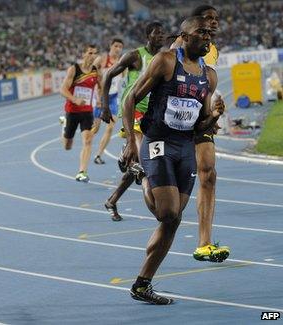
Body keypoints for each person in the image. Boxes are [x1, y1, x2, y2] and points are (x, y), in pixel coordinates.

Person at [122, 16, 225, 304]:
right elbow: (131, 98)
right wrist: (131, 140)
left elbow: (200, 126)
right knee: (166, 213)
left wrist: (214, 116)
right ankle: (142, 174)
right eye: (201, 33)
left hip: (185, 147)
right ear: (185, 36)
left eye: (209, 34)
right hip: (157, 142)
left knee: (173, 218)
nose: (207, 37)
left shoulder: (210, 75)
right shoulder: (166, 61)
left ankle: (142, 285)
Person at [171, 5, 230, 263]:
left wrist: (211, 115)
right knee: (168, 197)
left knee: (208, 174)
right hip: (173, 124)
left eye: (216, 19)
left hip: (199, 120)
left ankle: (204, 243)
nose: (214, 24)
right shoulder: (177, 48)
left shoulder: (212, 50)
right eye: (208, 19)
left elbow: (204, 85)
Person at [100, 22, 165, 221]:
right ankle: (127, 154)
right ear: (148, 36)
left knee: (136, 166)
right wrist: (105, 105)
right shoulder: (136, 56)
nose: (161, 36)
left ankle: (112, 199)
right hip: (134, 112)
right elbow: (108, 75)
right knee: (144, 162)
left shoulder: (165, 59)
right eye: (157, 33)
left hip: (153, 116)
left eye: (163, 33)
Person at [60, 44, 101, 182]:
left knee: (88, 140)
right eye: (90, 53)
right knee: (67, 146)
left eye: (95, 53)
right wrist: (75, 99)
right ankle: (64, 125)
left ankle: (82, 171)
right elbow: (63, 90)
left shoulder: (96, 71)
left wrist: (99, 104)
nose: (92, 56)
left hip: (87, 111)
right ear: (83, 54)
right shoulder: (74, 69)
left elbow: (99, 88)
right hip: (72, 110)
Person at [91, 38, 124, 165]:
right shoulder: (102, 59)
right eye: (116, 46)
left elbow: (124, 81)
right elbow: (91, 75)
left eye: (120, 47)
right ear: (110, 46)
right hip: (100, 98)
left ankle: (98, 155)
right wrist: (97, 97)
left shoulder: (122, 62)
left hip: (113, 98)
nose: (118, 49)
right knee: (95, 129)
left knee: (110, 128)